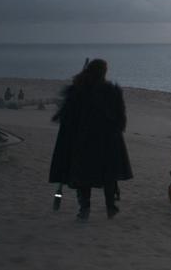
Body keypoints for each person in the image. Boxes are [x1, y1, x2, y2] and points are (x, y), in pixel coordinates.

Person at [49, 59, 133, 221]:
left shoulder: (78, 89)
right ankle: (110, 207)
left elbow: (66, 118)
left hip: (83, 142)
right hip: (106, 142)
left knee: (83, 176)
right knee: (108, 175)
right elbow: (120, 120)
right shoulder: (110, 91)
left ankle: (84, 209)